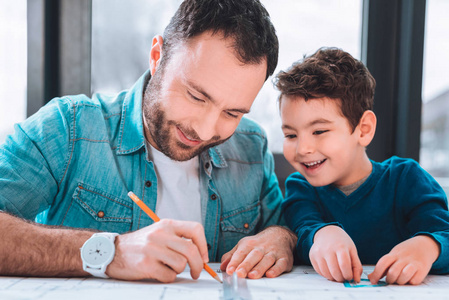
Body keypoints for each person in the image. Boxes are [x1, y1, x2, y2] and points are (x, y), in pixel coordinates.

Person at [0, 0, 297, 283]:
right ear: (157, 57)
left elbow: (282, 227)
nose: (205, 131)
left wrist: (281, 238)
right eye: (196, 96)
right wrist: (111, 252)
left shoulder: (251, 147)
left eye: (232, 113)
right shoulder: (66, 128)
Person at [275, 47, 449, 285]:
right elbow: (304, 229)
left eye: (319, 131)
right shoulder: (300, 188)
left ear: (363, 129)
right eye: (291, 135)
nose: (302, 148)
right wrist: (321, 234)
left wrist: (428, 246)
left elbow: (443, 232)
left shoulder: (407, 179)